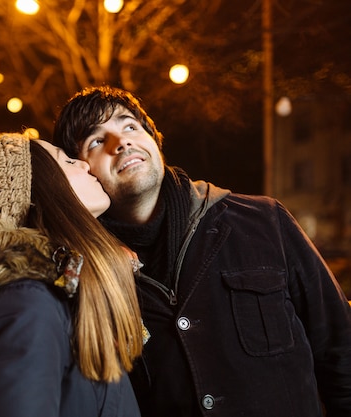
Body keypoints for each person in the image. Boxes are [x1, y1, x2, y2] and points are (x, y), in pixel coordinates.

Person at [52, 85, 351, 417]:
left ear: (154, 139)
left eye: (130, 126)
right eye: (96, 141)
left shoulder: (263, 222)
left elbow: (342, 350)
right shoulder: (88, 277)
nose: (120, 142)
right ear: (82, 170)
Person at [0, 132, 149, 417]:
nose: (84, 165)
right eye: (66, 161)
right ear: (38, 191)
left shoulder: (58, 295)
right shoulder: (26, 306)